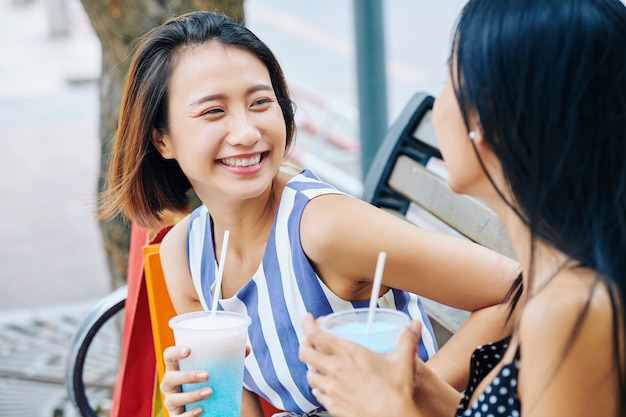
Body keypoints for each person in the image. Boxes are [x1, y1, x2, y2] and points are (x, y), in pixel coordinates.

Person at [98, 10, 522, 417]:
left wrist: (406, 389)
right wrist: (201, 405)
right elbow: (235, 402)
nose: (246, 132)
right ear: (162, 140)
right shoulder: (184, 254)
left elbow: (522, 290)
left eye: (260, 102)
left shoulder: (323, 228)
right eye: (213, 111)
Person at [299, 0, 626, 416]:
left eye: (448, 78)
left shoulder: (574, 312)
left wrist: (384, 407)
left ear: (488, 116)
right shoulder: (563, 279)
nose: (440, 103)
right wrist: (420, 389)